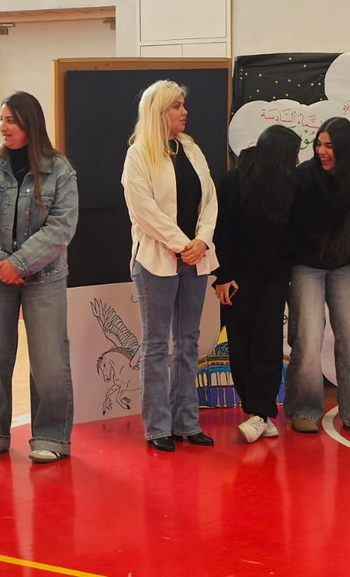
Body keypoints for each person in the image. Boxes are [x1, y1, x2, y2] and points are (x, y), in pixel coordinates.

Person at [0, 91, 79, 464]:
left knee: (49, 360)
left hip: (45, 277)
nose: (4, 127)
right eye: (2, 119)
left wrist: (20, 263)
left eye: (12, 120)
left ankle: (51, 437)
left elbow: (61, 228)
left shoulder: (59, 169)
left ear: (31, 123)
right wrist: (1, 262)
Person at [122, 80, 219, 453]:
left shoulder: (191, 149)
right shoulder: (138, 155)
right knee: (156, 343)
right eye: (176, 106)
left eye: (183, 104)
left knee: (189, 341)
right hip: (156, 261)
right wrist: (182, 244)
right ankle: (158, 426)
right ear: (158, 112)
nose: (184, 111)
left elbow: (209, 200)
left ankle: (187, 422)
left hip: (196, 259)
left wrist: (202, 241)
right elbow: (143, 210)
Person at [284, 118, 350, 435]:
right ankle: (303, 410)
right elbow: (307, 219)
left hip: (342, 264)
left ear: (344, 147)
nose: (321, 151)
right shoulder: (305, 174)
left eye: (329, 145)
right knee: (308, 337)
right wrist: (349, 195)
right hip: (306, 265)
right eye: (318, 144)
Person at [212, 125, 301, 443]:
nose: (297, 161)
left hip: (275, 274)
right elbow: (220, 231)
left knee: (268, 341)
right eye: (293, 156)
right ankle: (254, 409)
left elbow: (295, 232)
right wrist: (222, 276)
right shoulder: (233, 182)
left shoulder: (291, 184)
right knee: (240, 342)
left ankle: (261, 412)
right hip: (237, 276)